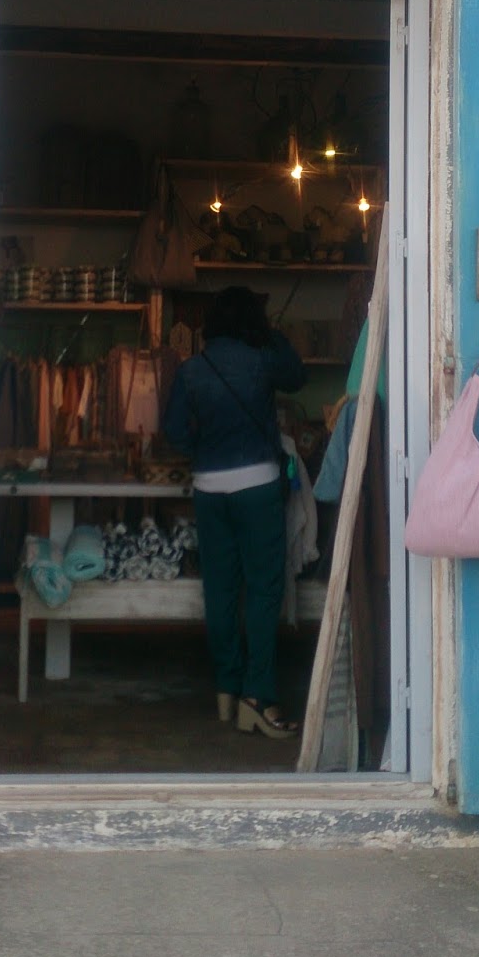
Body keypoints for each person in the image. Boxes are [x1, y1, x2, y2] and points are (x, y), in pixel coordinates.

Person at [162, 286, 307, 738]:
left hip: (209, 488)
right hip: (258, 486)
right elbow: (297, 376)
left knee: (220, 590)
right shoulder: (262, 358)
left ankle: (226, 687)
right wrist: (273, 334)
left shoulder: (192, 369)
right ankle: (257, 696)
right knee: (263, 590)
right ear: (252, 321)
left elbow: (173, 432)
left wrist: (202, 451)